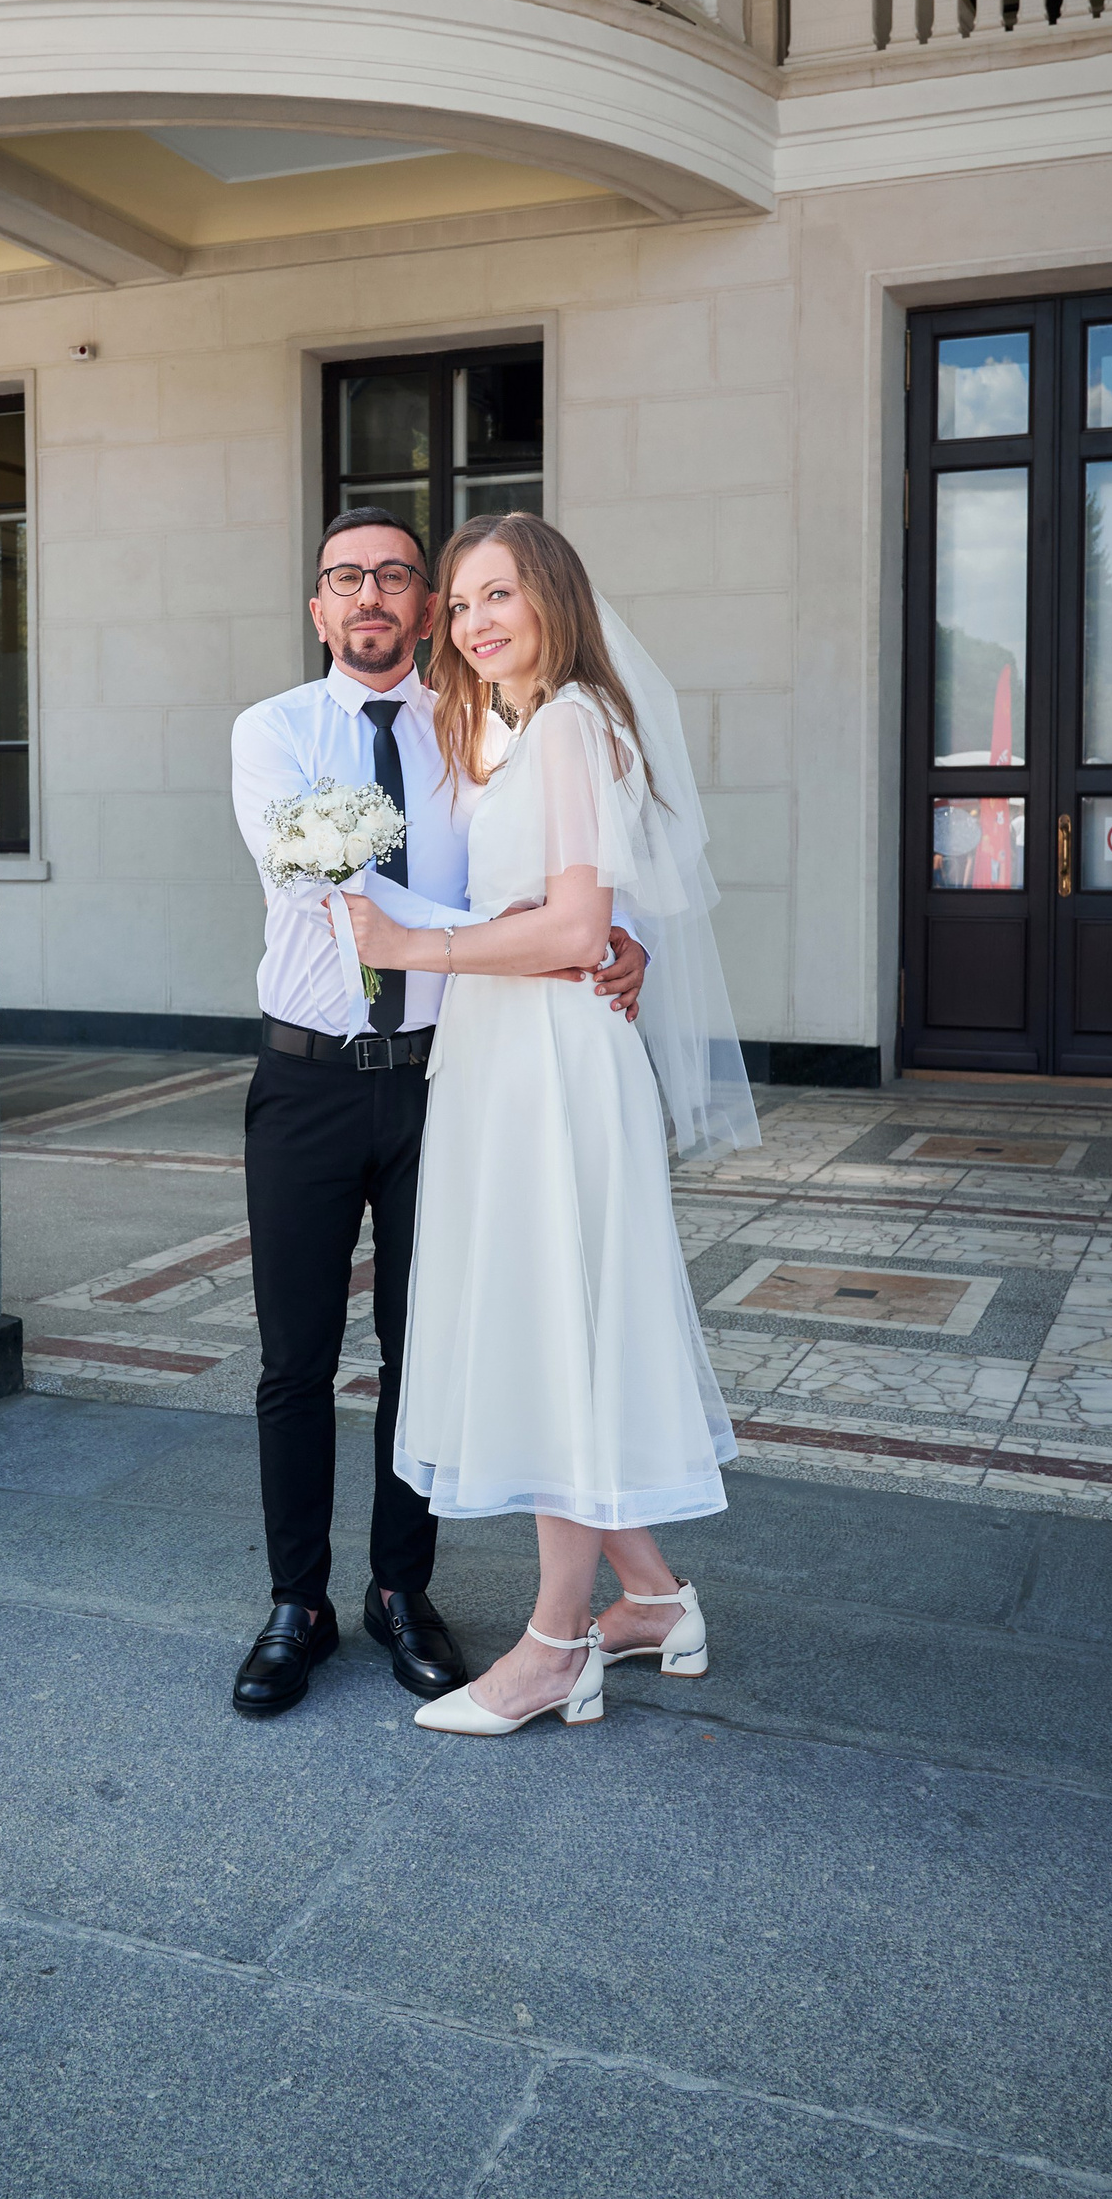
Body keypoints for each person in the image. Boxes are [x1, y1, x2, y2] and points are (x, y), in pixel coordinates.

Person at [226, 510, 652, 1719]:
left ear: (424, 608)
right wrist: (553, 937)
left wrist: (616, 935)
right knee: (296, 1356)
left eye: (397, 577)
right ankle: (296, 1601)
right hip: (307, 1076)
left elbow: (550, 864)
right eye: (344, 576)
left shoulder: (478, 729)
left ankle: (400, 1590)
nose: (370, 593)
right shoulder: (272, 731)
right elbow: (327, 881)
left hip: (442, 1075)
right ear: (318, 607)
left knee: (427, 1348)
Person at [345, 511, 760, 1737]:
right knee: (551, 1320)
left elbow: (577, 926)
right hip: (508, 1049)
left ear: (553, 599)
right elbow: (575, 911)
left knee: (555, 1327)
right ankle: (655, 1600)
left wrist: (415, 946)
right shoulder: (519, 728)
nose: (477, 620)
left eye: (500, 593)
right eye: (464, 599)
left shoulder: (574, 720)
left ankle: (554, 1645)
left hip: (551, 1058)